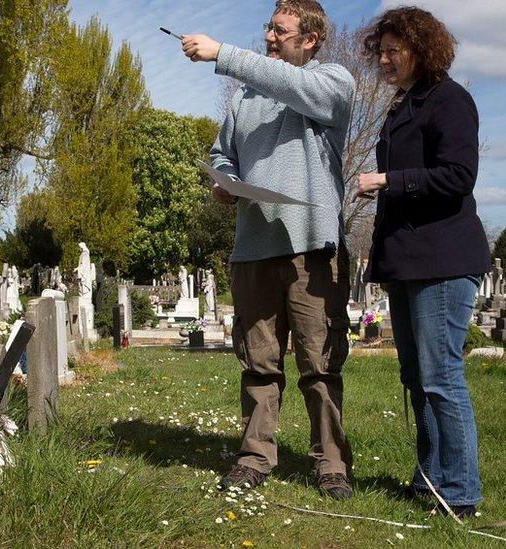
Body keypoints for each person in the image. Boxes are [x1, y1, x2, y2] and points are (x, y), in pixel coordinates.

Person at [181, 0, 355, 499]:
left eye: (280, 30)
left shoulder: (333, 83)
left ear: (310, 39)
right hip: (253, 249)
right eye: (268, 28)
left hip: (312, 251)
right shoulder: (245, 96)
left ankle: (332, 466)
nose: (269, 36)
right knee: (258, 363)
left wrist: (222, 53)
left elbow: (296, 87)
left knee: (320, 364)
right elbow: (222, 153)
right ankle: (255, 458)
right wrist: (226, 181)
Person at [355, 6, 490, 517]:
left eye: (394, 50)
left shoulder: (451, 101)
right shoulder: (401, 105)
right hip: (407, 261)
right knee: (415, 377)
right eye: (381, 52)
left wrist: (389, 181)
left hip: (443, 260)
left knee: (441, 377)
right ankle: (430, 480)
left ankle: (459, 492)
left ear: (421, 49)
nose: (385, 60)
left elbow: (458, 175)